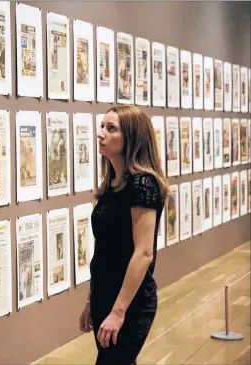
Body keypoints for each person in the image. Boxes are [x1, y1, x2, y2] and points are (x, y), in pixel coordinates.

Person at [79, 105, 168, 365]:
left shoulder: (142, 184)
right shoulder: (111, 184)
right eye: (102, 126)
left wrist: (119, 312)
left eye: (111, 128)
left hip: (131, 301)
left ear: (131, 136)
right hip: (104, 295)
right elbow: (104, 251)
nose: (101, 134)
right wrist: (91, 301)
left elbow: (143, 253)